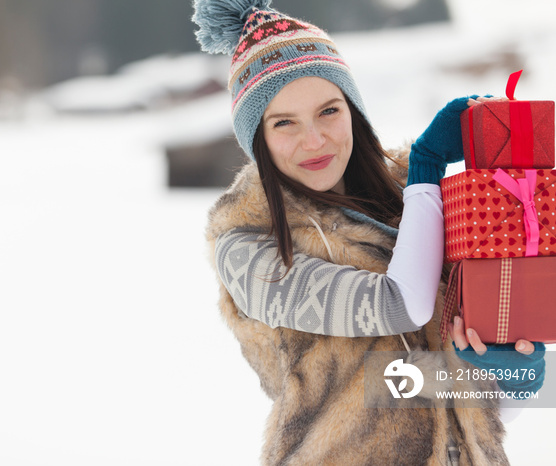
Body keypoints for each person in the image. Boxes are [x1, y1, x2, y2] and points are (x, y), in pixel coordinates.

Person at [193, 1, 546, 464]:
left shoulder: (412, 207)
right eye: (284, 122)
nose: (315, 140)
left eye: (328, 111)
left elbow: (412, 390)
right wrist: (426, 169)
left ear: (352, 109)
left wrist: (515, 378)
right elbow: (400, 304)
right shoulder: (248, 249)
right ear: (255, 137)